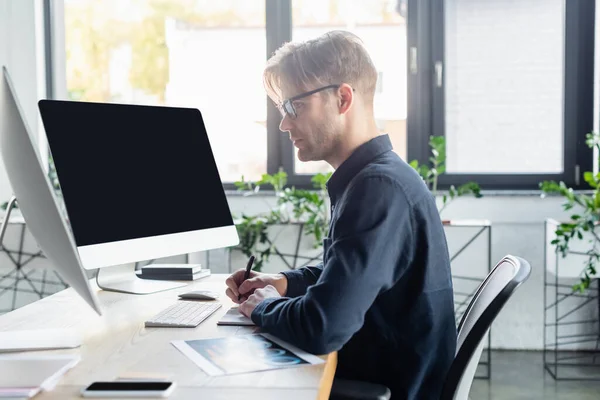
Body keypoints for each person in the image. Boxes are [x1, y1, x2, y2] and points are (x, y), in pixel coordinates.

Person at [225, 30, 456, 399]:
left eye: (292, 107)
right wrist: (284, 283)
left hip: (388, 388)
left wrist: (263, 306)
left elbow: (323, 327)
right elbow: (354, 274)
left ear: (342, 98)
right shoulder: (378, 177)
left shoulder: (377, 188)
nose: (284, 124)